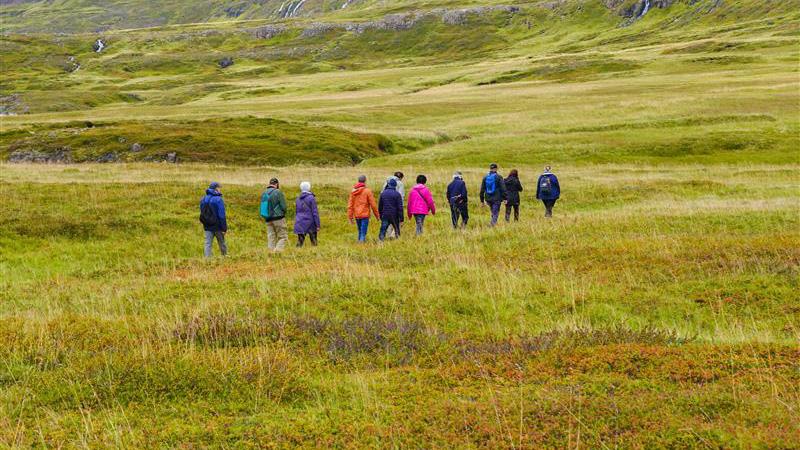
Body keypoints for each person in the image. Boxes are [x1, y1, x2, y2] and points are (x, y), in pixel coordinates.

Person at [199, 181, 228, 257]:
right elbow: (221, 215)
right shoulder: (218, 199)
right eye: (219, 187)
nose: (220, 189)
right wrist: (224, 228)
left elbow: (202, 212)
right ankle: (225, 257)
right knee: (221, 242)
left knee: (207, 243)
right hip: (217, 226)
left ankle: (207, 260)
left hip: (207, 225)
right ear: (216, 189)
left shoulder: (203, 199)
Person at [347, 175, 379, 242]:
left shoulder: (353, 192)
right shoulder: (367, 191)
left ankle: (359, 243)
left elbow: (350, 205)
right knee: (363, 232)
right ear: (365, 181)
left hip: (357, 215)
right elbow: (373, 205)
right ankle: (361, 244)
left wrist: (350, 217)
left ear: (358, 181)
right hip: (365, 215)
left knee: (360, 230)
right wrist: (377, 215)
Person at [260, 178, 288, 252]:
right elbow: (283, 206)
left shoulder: (264, 193)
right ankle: (277, 252)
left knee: (271, 237)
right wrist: (283, 213)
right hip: (278, 218)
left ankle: (270, 252)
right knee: (283, 237)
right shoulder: (278, 192)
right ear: (277, 184)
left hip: (267, 218)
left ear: (270, 184)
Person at [294, 181, 320, 247]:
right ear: (309, 188)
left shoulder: (297, 199)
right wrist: (318, 224)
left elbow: (297, 211)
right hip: (310, 223)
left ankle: (297, 254)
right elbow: (315, 212)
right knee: (314, 242)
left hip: (300, 221)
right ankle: (314, 255)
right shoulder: (311, 198)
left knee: (300, 242)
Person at [382, 171, 405, 238]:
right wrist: (401, 206)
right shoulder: (400, 183)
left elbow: (382, 193)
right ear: (400, 177)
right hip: (396, 204)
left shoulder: (386, 182)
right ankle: (393, 234)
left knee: (387, 222)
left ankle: (389, 235)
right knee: (396, 221)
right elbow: (401, 195)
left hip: (386, 204)